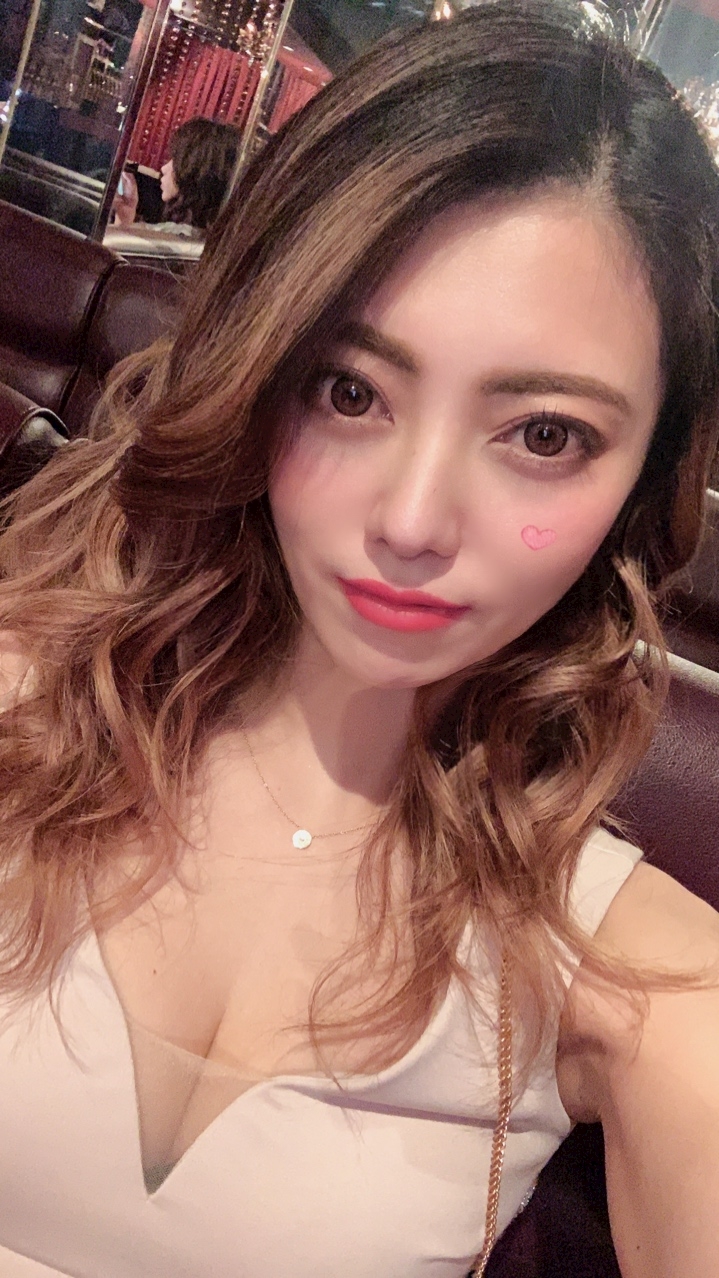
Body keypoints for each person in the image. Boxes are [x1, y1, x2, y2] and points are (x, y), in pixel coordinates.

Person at [0, 3, 718, 1275]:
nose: (411, 521)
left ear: (644, 476)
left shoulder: (644, 988)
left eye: (542, 434)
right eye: (349, 391)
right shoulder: (21, 708)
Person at [112, 116, 241, 235]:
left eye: (176, 159)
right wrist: (126, 214)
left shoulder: (171, 234)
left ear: (194, 171)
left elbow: (115, 244)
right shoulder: (204, 233)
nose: (164, 168)